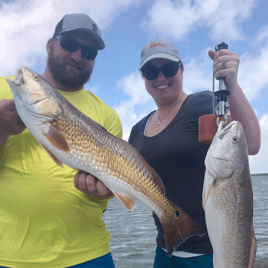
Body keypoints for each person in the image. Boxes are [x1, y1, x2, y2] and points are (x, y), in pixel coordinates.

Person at [0, 14, 122, 268]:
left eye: (88, 51)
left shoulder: (108, 115)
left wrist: (105, 192)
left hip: (90, 254)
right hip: (10, 257)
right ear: (49, 45)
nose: (77, 56)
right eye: (68, 43)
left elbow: (109, 191)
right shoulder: (6, 90)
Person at [127, 39, 260, 268]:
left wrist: (233, 87)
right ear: (144, 78)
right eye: (151, 71)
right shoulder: (138, 130)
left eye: (168, 68)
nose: (160, 77)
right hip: (165, 251)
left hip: (213, 253)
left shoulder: (203, 103)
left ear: (182, 70)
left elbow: (251, 143)